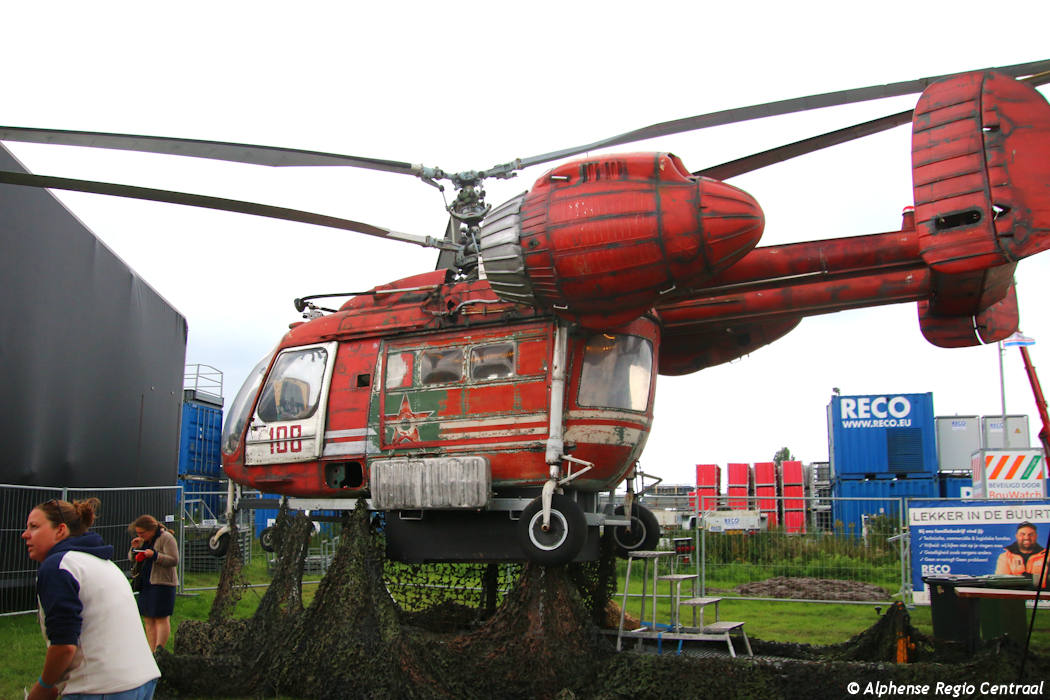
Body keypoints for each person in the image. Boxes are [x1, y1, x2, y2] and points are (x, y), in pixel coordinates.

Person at [22, 498, 160, 699]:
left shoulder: (58, 566)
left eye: (34, 526)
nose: (25, 534)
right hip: (142, 679)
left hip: (100, 687)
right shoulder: (103, 563)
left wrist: (43, 687)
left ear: (60, 530)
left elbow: (64, 646)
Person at [128, 515, 179, 652]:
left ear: (151, 529)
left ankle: (159, 651)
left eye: (142, 533)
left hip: (162, 583)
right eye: (138, 533)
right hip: (146, 582)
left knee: (160, 617)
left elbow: (174, 559)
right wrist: (134, 548)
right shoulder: (144, 541)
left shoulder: (166, 538)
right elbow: (133, 558)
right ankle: (151, 652)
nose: (140, 536)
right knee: (148, 618)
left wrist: (155, 555)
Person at [995, 521, 1048, 586]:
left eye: (1031, 534)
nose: (1027, 538)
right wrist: (1035, 578)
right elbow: (1002, 582)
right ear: (1016, 536)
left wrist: (1020, 578)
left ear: (1036, 536)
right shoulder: (1005, 557)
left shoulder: (1047, 556)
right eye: (1022, 534)